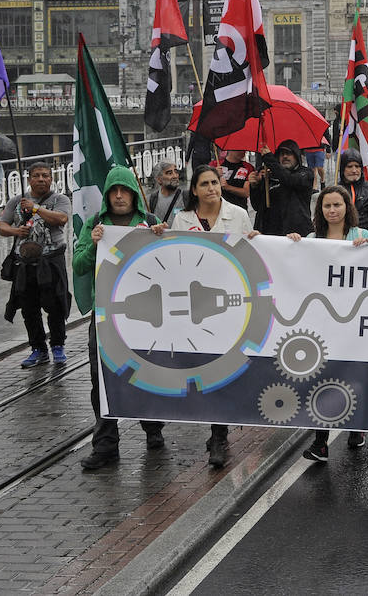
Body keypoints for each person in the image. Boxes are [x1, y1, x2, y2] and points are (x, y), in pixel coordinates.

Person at [73, 165, 166, 470]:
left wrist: (159, 238)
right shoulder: (95, 224)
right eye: (113, 190)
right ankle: (105, 444)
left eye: (124, 190)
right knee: (101, 379)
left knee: (146, 373)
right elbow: (80, 264)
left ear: (133, 194)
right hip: (105, 316)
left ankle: (153, 429)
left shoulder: (148, 222)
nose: (119, 196)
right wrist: (95, 244)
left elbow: (167, 264)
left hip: (143, 317)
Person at [171, 165, 260, 467]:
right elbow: (174, 258)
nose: (211, 188)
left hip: (228, 309)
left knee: (222, 372)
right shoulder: (182, 219)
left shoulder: (238, 216)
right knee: (202, 373)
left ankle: (219, 435)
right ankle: (216, 427)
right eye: (204, 184)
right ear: (194, 190)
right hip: (195, 309)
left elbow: (250, 257)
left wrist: (257, 241)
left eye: (215, 182)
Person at [294, 185, 368, 462]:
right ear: (320, 210)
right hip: (323, 323)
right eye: (327, 206)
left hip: (353, 321)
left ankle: (356, 427)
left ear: (347, 208)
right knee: (322, 380)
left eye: (337, 205)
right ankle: (321, 442)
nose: (332, 210)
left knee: (351, 376)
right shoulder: (311, 239)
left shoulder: (361, 236)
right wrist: (291, 246)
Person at [0, 163, 72, 368]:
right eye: (37, 176)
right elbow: (1, 226)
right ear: (29, 179)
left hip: (51, 261)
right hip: (25, 263)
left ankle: (58, 345)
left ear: (51, 179)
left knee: (55, 304)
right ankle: (38, 348)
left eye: (46, 176)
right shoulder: (16, 201)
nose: (42, 179)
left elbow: (61, 219)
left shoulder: (59, 199)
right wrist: (16, 232)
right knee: (29, 308)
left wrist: (36, 209)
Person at [250, 140, 316, 237]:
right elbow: (256, 205)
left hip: (296, 235)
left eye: (289, 153)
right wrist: (255, 186)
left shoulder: (306, 173)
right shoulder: (269, 176)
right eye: (281, 154)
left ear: (296, 156)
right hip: (270, 234)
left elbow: (289, 179)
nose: (285, 156)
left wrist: (269, 158)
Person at [337, 150, 368, 236]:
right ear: (343, 168)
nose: (354, 170)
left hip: (364, 239)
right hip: (341, 240)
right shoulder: (335, 190)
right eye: (349, 167)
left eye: (357, 166)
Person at [146, 159, 187, 225]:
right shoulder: (149, 201)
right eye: (169, 173)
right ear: (159, 179)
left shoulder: (187, 197)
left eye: (176, 172)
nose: (175, 176)